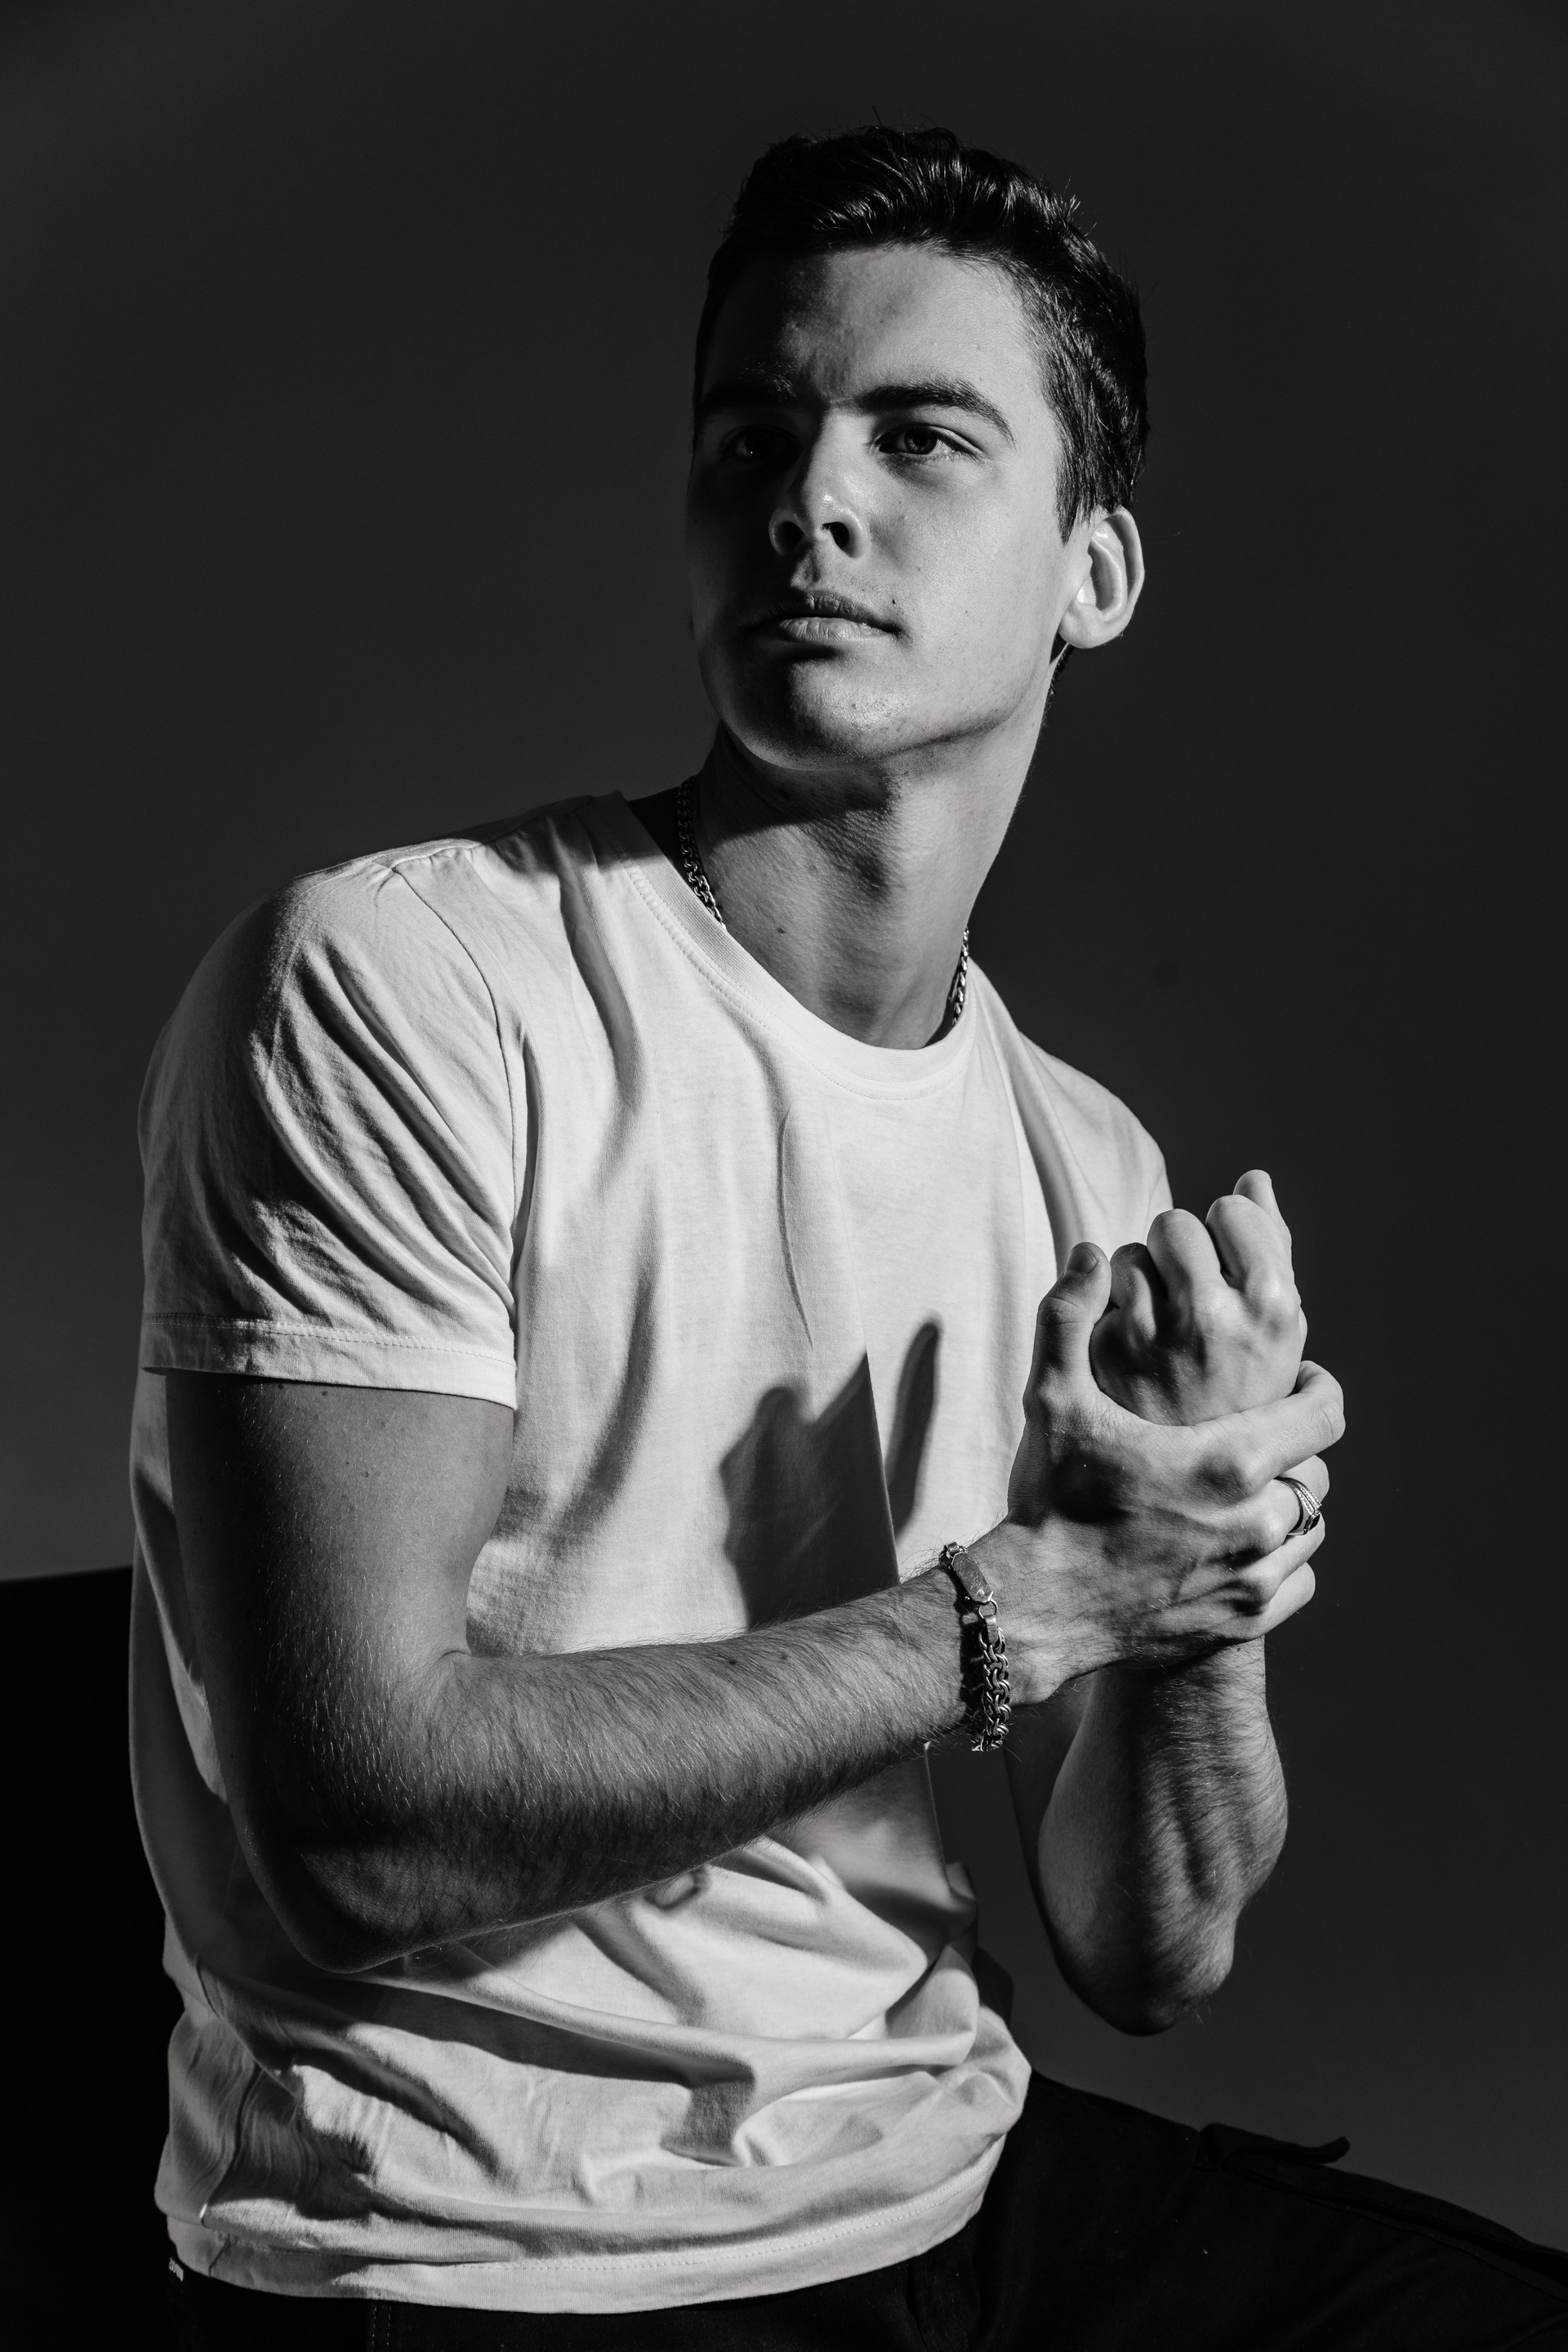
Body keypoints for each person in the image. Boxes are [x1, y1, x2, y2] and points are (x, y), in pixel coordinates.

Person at [133, 126, 1567, 2350]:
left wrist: (1194, 1592)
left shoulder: (1084, 1161)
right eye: (753, 437)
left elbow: (1151, 1959)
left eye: (921, 437)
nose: (811, 498)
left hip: (935, 2161)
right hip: (494, 2248)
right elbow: (358, 1832)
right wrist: (1035, 1600)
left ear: (1095, 571)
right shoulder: (407, 984)